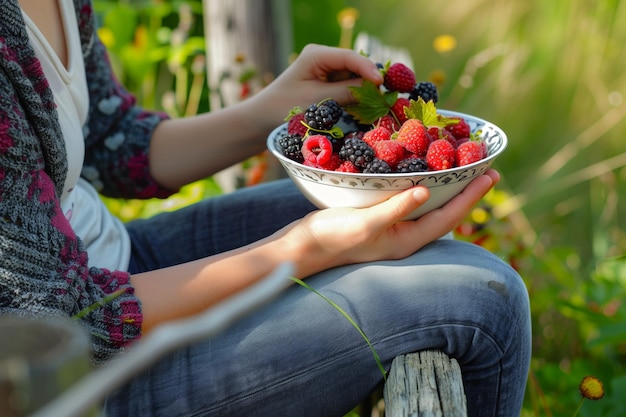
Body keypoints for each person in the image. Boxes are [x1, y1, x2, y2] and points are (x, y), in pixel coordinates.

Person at [0, 0, 531, 416]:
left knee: (403, 213)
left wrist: (266, 113)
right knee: (487, 298)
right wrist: (303, 249)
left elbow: (110, 141)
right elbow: (56, 315)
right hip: (71, 383)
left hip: (118, 260)